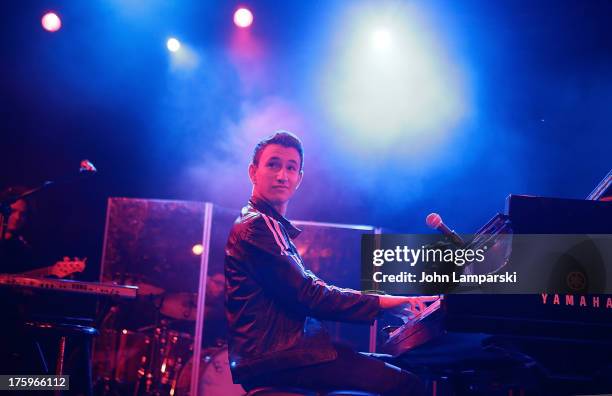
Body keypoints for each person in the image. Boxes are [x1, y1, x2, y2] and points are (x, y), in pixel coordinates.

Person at [224, 131, 434, 395]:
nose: (282, 175)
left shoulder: (263, 224)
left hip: (280, 355)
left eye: (291, 168)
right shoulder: (258, 225)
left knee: (400, 366)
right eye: (273, 164)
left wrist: (383, 302)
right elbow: (309, 294)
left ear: (299, 179)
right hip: (280, 358)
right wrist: (384, 302)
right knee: (408, 384)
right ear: (253, 172)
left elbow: (306, 290)